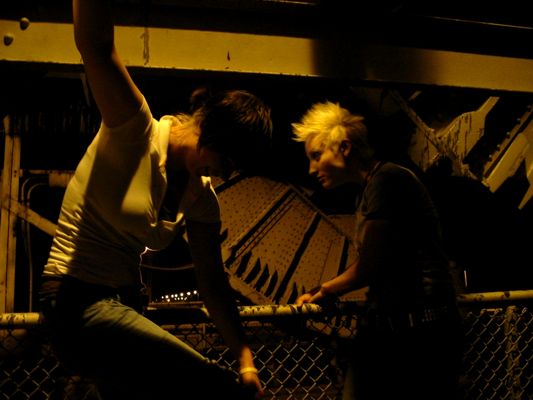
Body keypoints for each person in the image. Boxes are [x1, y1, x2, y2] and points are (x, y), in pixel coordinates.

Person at [38, 1, 272, 399]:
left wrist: (246, 359)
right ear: (211, 132)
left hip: (127, 304)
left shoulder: (202, 198)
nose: (225, 174)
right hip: (76, 301)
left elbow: (213, 283)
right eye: (228, 161)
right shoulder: (134, 130)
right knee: (212, 385)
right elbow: (96, 46)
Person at [292, 101, 464, 400]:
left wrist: (325, 291)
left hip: (418, 333)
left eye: (316, 156)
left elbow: (370, 265)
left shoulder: (386, 181)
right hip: (416, 327)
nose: (311, 168)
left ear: (345, 148)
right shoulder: (375, 187)